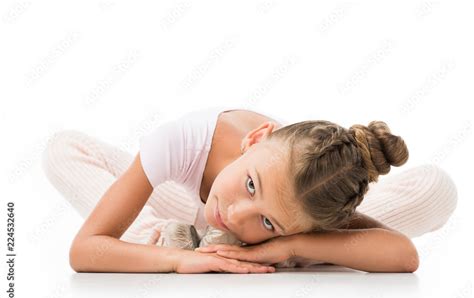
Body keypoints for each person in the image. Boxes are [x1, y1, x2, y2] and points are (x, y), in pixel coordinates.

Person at [42, 106, 458, 273]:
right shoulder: (183, 143)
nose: (235, 215)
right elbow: (85, 250)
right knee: (65, 148)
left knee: (436, 187)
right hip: (176, 206)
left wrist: (292, 247)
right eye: (250, 184)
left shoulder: (302, 205)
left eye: (266, 220)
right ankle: (166, 238)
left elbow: (403, 254)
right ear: (257, 138)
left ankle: (210, 243)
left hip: (285, 230)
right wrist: (175, 261)